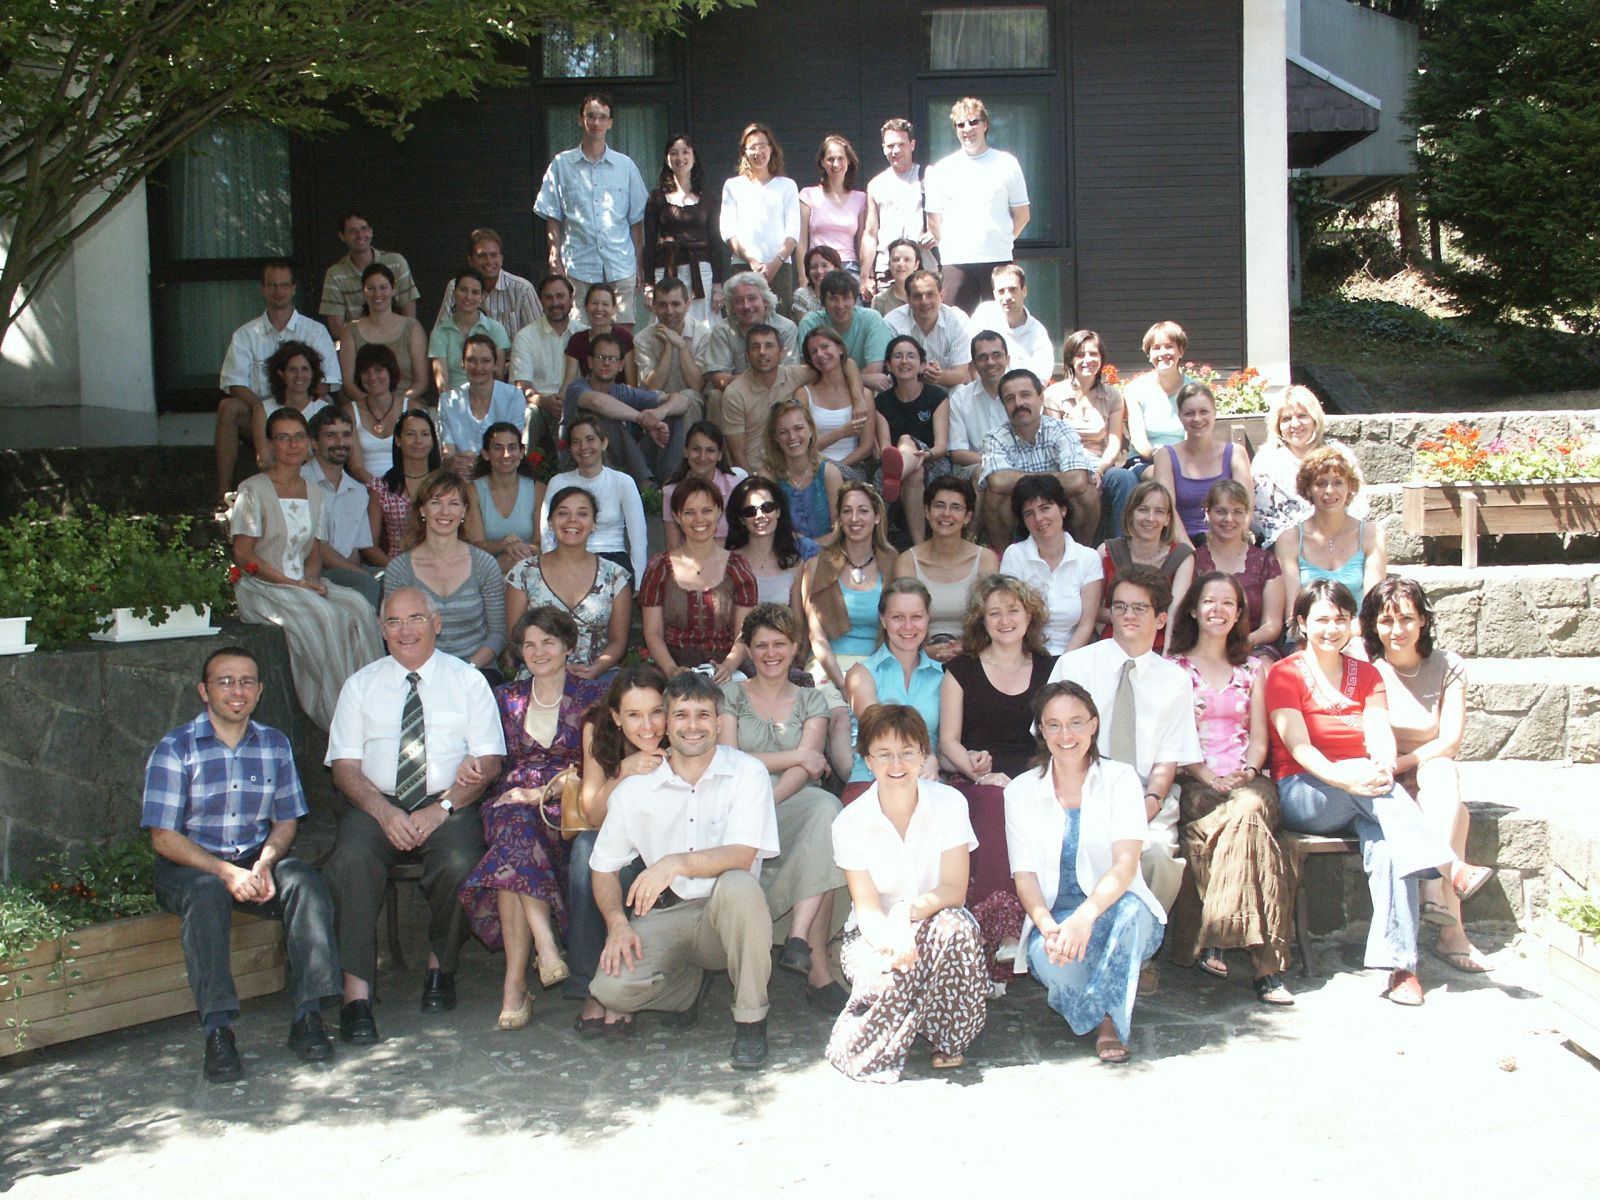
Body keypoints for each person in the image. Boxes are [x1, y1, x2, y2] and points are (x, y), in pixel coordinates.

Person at [1268, 580, 1475, 1006]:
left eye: (1340, 619)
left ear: (1351, 625)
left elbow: (1378, 730)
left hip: (1367, 792)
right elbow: (1300, 747)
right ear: (1302, 623)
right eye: (1321, 620)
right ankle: (1447, 862)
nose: (1331, 628)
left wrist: (1380, 764)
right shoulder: (1284, 673)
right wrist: (1346, 777)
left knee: (1389, 846)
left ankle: (1401, 969)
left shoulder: (1367, 673)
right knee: (1377, 791)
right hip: (1306, 790)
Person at [141, 645, 341, 1081]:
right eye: (226, 682)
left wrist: (266, 862)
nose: (237, 691)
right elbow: (163, 837)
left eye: (247, 681)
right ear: (204, 691)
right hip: (191, 866)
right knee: (207, 893)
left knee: (305, 881)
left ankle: (308, 1016)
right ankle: (218, 1030)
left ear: (260, 690)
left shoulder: (274, 744)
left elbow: (286, 821)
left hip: (252, 857)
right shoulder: (175, 748)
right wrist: (224, 872)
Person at [323, 586, 506, 1042]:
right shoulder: (360, 685)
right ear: (381, 630)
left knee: (461, 861)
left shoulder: (468, 681)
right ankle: (356, 993)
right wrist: (383, 812)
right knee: (350, 861)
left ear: (436, 623)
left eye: (416, 619)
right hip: (375, 803)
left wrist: (442, 808)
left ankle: (441, 967)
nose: (405, 631)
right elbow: (344, 767)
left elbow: (489, 761)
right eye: (394, 621)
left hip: (449, 801)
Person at [588, 671, 780, 1070]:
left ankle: (751, 1021)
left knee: (740, 885)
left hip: (725, 913)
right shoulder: (634, 788)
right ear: (666, 723)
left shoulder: (747, 773)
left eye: (703, 715)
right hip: (667, 913)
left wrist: (674, 863)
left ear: (719, 722)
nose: (693, 726)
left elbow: (742, 854)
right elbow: (603, 867)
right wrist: (616, 924)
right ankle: (688, 986)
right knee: (611, 992)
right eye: (681, 715)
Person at [458, 607, 608, 1029]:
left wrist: (545, 792)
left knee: (511, 854)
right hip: (510, 798)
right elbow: (483, 748)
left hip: (567, 803)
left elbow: (601, 761)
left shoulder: (593, 696)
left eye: (548, 642)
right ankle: (545, 944)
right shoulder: (505, 697)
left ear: (567, 646)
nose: (538, 652)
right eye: (529, 645)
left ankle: (515, 984)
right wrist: (468, 762)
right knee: (513, 822)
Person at [1004, 682, 1166, 1064]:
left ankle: (1109, 1023)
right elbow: (1024, 876)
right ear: (1041, 731)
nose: (1066, 735)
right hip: (1056, 920)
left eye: (1076, 722)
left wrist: (1085, 918)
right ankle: (1112, 986)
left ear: (1093, 725)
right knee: (1051, 962)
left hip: (1116, 909)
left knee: (1131, 916)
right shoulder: (1020, 791)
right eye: (1054, 724)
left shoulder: (1120, 779)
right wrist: (1049, 928)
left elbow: (1125, 864)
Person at [826, 704, 986, 1081]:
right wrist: (892, 941)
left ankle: (948, 1037)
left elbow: (954, 890)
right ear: (868, 760)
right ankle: (871, 1039)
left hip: (934, 919)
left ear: (923, 755)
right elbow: (867, 909)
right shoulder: (849, 823)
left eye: (907, 752)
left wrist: (906, 915)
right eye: (884, 754)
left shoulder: (950, 804)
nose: (896, 764)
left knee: (958, 928)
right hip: (875, 931)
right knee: (892, 971)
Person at [1166, 572, 1295, 1004]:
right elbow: (1173, 738)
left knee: (1248, 809)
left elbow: (1259, 737)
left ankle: (1218, 934)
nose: (1217, 610)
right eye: (1209, 601)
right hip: (1194, 780)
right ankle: (1267, 970)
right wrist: (1207, 775)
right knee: (1250, 826)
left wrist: (1248, 770)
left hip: (1247, 779)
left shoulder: (1254, 668)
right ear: (1192, 609)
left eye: (1228, 603)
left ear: (1239, 613)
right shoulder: (1174, 670)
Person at [1048, 565, 1204, 914]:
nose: (1127, 615)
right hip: (1080, 790)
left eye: (1139, 608)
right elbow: (1050, 742)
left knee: (1159, 856)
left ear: (1161, 619)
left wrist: (1149, 803)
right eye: (1119, 606)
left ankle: (1143, 937)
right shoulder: (1074, 666)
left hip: (1145, 793)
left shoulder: (1175, 680)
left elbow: (1169, 757)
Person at [720, 604, 849, 1012]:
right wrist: (795, 756)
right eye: (761, 645)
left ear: (795, 648)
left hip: (791, 798)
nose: (770, 653)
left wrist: (769, 800)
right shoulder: (729, 696)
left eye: (779, 644)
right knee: (822, 818)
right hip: (736, 802)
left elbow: (807, 768)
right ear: (748, 649)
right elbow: (729, 759)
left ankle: (799, 939)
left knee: (826, 810)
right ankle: (816, 968)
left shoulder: (813, 699)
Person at [1361, 577, 1492, 973]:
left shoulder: (1447, 666)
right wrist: (1393, 767)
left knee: (1441, 770)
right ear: (1373, 626)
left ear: (1423, 621)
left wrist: (1404, 763)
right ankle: (1450, 926)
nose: (1396, 630)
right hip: (1384, 778)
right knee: (1457, 815)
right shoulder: (1367, 670)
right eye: (1386, 621)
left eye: (1406, 618)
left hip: (1425, 769)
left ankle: (1435, 887)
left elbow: (1449, 741)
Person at [230, 408, 383, 730]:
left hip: (300, 581)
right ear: (271, 444)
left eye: (298, 436)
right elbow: (244, 554)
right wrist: (291, 583)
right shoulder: (253, 489)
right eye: (283, 438)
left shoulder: (313, 492)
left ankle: (374, 704)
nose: (292, 445)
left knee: (358, 606)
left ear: (308, 442)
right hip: (263, 585)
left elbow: (314, 550)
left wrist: (311, 579)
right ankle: (337, 715)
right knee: (326, 615)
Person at [939, 574, 1056, 971]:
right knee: (994, 800)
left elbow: (1059, 737)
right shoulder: (961, 670)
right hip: (976, 781)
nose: (1004, 620)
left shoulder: (1051, 669)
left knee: (1018, 802)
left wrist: (1034, 779)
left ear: (1029, 615)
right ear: (982, 620)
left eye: (1012, 610)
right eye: (994, 613)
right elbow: (948, 741)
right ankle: (999, 933)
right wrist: (977, 772)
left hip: (1036, 779)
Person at [567, 665, 669, 1032]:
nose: (648, 726)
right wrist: (624, 770)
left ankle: (619, 990)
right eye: (634, 715)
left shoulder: (684, 730)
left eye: (656, 712)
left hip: (666, 849)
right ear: (616, 717)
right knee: (587, 853)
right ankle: (591, 989)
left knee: (610, 867)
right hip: (617, 842)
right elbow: (594, 814)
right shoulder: (598, 730)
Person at [216, 259, 340, 501]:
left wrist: (297, 405)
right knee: (228, 407)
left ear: (293, 288)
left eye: (284, 285)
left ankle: (330, 488)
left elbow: (328, 382)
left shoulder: (315, 330)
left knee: (332, 410)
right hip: (259, 414)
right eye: (272, 285)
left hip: (305, 412)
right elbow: (234, 383)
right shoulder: (245, 334)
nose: (278, 290)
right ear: (263, 289)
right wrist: (265, 411)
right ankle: (223, 493)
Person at [801, 483, 898, 774]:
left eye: (863, 511)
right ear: (839, 518)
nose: (855, 518)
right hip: (829, 663)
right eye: (847, 511)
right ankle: (854, 783)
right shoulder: (817, 565)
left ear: (877, 516)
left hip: (878, 662)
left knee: (882, 719)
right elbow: (816, 635)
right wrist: (843, 684)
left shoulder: (894, 563)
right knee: (842, 719)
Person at [382, 470, 508, 682]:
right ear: (422, 509)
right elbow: (395, 634)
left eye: (454, 503)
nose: (445, 511)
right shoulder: (399, 570)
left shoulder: (485, 565)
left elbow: (498, 635)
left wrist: (465, 670)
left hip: (476, 671)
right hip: (418, 673)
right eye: (436, 502)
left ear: (464, 511)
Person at [536, 93, 650, 327]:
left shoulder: (625, 166)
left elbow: (636, 220)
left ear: (610, 122)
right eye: (591, 116)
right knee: (579, 333)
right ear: (580, 120)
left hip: (620, 265)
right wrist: (554, 261)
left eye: (602, 117)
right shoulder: (561, 165)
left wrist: (640, 263)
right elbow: (553, 217)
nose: (596, 122)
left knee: (623, 334)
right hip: (578, 266)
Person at [507, 484, 632, 682]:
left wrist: (594, 670)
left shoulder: (615, 576)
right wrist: (556, 669)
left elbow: (618, 642)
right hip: (538, 674)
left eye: (582, 513)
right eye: (563, 513)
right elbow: (515, 639)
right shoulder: (524, 573)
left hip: (597, 676)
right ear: (550, 522)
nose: (572, 520)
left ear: (594, 524)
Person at [640, 478, 758, 681]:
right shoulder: (658, 568)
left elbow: (744, 633)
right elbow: (653, 633)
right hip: (671, 670)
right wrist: (671, 670)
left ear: (719, 512)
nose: (699, 519)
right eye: (689, 512)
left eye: (706, 510)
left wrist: (727, 667)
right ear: (677, 516)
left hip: (726, 671)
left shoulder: (738, 568)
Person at [924, 98, 1029, 314]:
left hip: (998, 259)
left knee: (1003, 324)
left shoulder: (1007, 163)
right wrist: (952, 245)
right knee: (954, 324)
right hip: (956, 261)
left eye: (973, 122)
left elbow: (1022, 214)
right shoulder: (942, 169)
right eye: (960, 124)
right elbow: (934, 222)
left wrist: (1002, 239)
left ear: (985, 124)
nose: (967, 129)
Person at [842, 579, 944, 801]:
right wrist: (926, 756)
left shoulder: (943, 676)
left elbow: (949, 742)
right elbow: (880, 731)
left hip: (928, 782)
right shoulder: (862, 674)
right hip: (872, 781)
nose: (908, 626)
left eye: (916, 617)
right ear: (883, 620)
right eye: (898, 617)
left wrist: (965, 758)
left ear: (927, 618)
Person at [977, 368, 1099, 548]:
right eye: (1010, 399)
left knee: (1087, 492)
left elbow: (1077, 480)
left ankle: (1083, 554)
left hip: (1058, 506)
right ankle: (1003, 558)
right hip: (1017, 509)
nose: (1019, 403)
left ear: (1041, 398)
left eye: (1025, 395)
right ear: (1004, 405)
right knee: (994, 495)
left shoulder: (1061, 430)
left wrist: (1022, 480)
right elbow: (997, 481)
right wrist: (1054, 477)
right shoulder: (995, 437)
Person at [892, 475, 998, 660]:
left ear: (967, 517)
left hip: (974, 655)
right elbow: (901, 620)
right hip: (918, 655)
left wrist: (966, 649)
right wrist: (925, 653)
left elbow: (992, 618)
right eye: (939, 505)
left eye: (956, 507)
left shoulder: (985, 560)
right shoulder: (907, 561)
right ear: (927, 511)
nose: (946, 514)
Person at [1044, 329, 1136, 540]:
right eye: (1080, 354)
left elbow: (1114, 442)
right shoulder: (1053, 395)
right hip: (1066, 466)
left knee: (1125, 478)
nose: (1088, 360)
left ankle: (1122, 545)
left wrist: (1100, 470)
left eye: (1093, 354)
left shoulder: (1113, 396)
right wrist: (1080, 471)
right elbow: (1054, 443)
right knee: (1080, 486)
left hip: (1101, 464)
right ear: (1070, 359)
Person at [564, 330, 690, 485]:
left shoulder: (623, 392)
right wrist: (641, 419)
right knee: (605, 419)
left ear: (621, 365)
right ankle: (646, 486)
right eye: (601, 357)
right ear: (590, 362)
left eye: (612, 358)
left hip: (626, 462)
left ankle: (670, 483)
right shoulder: (577, 387)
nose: (606, 363)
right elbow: (596, 402)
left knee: (672, 413)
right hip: (585, 464)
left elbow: (683, 401)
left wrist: (659, 413)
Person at [1276, 445, 1387, 620]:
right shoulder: (1290, 539)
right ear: (1308, 489)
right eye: (1320, 484)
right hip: (1308, 632)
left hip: (1358, 631)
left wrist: (1344, 632)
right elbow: (1292, 613)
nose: (1329, 491)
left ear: (1349, 486)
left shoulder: (1371, 535)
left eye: (1338, 482)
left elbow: (1373, 610)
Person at [1252, 384, 1369, 549]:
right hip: (1287, 545)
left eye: (1302, 416)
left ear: (1314, 419)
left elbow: (1358, 501)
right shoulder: (1266, 460)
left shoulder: (1340, 454)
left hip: (1341, 540)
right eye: (1286, 419)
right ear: (1278, 426)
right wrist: (1305, 538)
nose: (1295, 424)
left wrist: (1338, 533)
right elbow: (1260, 515)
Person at [537, 413, 649, 584]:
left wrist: (639, 583)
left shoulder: (623, 482)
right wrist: (550, 568)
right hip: (567, 558)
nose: (583, 447)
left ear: (604, 443)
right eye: (576, 441)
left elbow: (638, 537)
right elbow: (547, 531)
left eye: (590, 439)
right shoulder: (558, 482)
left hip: (612, 558)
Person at [999, 474, 1103, 655]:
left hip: (1072, 655)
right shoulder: (1015, 555)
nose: (1039, 518)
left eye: (1045, 508)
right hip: (1024, 653)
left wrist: (1064, 663)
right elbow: (1009, 616)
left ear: (1063, 509)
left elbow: (1086, 625)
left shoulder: (1088, 558)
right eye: (1029, 513)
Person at [1094, 479, 1194, 650]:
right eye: (1143, 510)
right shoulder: (1106, 552)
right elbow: (1093, 610)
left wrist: (1167, 655)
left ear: (1167, 519)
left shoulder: (1182, 557)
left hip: (1160, 646)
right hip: (1114, 644)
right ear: (1130, 514)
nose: (1150, 518)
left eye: (1159, 512)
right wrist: (1129, 617)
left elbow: (1175, 612)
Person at [1150, 382, 1253, 543]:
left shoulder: (1235, 453)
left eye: (1204, 412)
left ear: (1214, 413)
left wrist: (1224, 548)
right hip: (1181, 544)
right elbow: (1167, 510)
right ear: (1180, 417)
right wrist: (1192, 553)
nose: (1197, 419)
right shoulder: (1166, 456)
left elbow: (1246, 510)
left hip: (1227, 541)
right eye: (1189, 413)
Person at [642, 133, 726, 327]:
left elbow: (715, 243)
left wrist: (717, 285)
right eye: (674, 153)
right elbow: (650, 243)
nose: (680, 158)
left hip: (701, 272)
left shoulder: (709, 198)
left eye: (685, 152)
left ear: (694, 157)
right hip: (666, 269)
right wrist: (649, 285)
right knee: (665, 324)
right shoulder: (656, 198)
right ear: (667, 159)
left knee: (703, 327)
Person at [1193, 479, 1284, 656]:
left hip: (1253, 646)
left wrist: (1241, 643)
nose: (1229, 519)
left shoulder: (1266, 562)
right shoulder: (1194, 560)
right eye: (1221, 511)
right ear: (1208, 513)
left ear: (1247, 515)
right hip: (1202, 646)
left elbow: (1272, 625)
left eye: (1237, 512)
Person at [874, 336, 951, 540]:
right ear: (888, 365)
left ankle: (898, 472)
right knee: (913, 469)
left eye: (911, 356)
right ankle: (918, 545)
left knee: (906, 440)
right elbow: (885, 448)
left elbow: (941, 446)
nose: (904, 361)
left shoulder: (936, 396)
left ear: (922, 365)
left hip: (933, 461)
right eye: (898, 356)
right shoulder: (881, 402)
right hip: (899, 465)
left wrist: (924, 455)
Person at [305, 406, 382, 607]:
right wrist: (361, 575)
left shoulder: (357, 490)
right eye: (331, 436)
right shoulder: (301, 483)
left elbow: (355, 550)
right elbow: (316, 548)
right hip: (312, 572)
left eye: (346, 435)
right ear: (314, 442)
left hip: (346, 572)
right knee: (367, 583)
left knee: (396, 581)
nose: (340, 443)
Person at [721, 121, 802, 312]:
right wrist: (752, 261)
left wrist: (775, 263)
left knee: (780, 320)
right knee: (743, 318)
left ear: (771, 148)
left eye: (762, 146)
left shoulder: (787, 185)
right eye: (752, 147)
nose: (758, 152)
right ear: (744, 152)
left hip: (780, 267)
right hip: (743, 266)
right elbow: (728, 231)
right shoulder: (733, 186)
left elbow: (793, 232)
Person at [701, 272, 801, 415]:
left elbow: (789, 375)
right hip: (736, 396)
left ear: (765, 300)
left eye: (752, 298)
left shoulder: (786, 328)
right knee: (715, 396)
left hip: (776, 395)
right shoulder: (722, 330)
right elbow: (719, 378)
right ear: (732, 306)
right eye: (739, 301)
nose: (746, 306)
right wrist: (757, 383)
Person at [722, 323, 816, 474]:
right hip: (755, 471)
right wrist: (755, 483)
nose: (762, 352)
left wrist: (856, 395)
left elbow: (840, 366)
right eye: (755, 347)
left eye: (769, 346)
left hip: (793, 467)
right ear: (747, 355)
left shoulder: (795, 375)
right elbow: (737, 455)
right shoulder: (735, 393)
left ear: (781, 352)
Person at [861, 117, 939, 295]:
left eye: (901, 144)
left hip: (924, 267)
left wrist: (936, 234)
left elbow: (948, 218)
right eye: (890, 146)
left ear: (912, 145)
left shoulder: (928, 176)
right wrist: (865, 276)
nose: (895, 150)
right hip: (887, 270)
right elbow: (870, 233)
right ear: (883, 148)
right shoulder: (876, 184)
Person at [336, 263, 428, 409]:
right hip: (366, 408)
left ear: (393, 289)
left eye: (383, 288)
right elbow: (348, 384)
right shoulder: (351, 331)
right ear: (363, 291)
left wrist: (396, 405)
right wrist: (375, 405)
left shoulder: (412, 328)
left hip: (407, 405)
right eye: (371, 288)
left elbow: (421, 382)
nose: (377, 294)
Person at [318, 210, 419, 343]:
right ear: (342, 236)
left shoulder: (396, 263)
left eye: (364, 229)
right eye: (352, 231)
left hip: (397, 341)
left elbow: (410, 316)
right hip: (358, 346)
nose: (360, 235)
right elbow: (337, 329)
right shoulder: (335, 275)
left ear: (371, 232)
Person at [511, 274, 587, 446]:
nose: (555, 303)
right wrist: (543, 401)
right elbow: (522, 385)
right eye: (548, 297)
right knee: (530, 415)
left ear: (571, 299)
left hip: (577, 403)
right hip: (539, 404)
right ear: (541, 301)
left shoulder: (584, 334)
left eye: (560, 296)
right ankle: (529, 463)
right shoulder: (525, 336)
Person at [725, 475, 820, 611]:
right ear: (741, 519)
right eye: (750, 511)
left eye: (767, 507)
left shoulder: (794, 564)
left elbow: (797, 619)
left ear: (778, 512)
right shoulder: (729, 563)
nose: (760, 516)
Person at [437, 334, 526, 477]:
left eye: (485, 361)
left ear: (495, 364)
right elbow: (447, 454)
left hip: (501, 473)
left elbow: (512, 447)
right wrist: (454, 462)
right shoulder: (448, 401)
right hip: (462, 475)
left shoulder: (513, 396)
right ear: (462, 363)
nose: (478, 367)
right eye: (471, 360)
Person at [432, 227, 541, 342]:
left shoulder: (522, 289)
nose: (489, 261)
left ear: (501, 259)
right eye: (482, 256)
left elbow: (539, 337)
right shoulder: (457, 287)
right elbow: (440, 334)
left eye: (493, 255)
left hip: (513, 354)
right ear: (470, 260)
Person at [797, 325, 875, 482]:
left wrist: (836, 469)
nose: (820, 354)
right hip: (814, 466)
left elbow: (867, 447)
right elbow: (803, 445)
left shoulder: (863, 395)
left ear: (840, 349)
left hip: (851, 467)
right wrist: (842, 432)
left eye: (825, 347)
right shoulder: (803, 394)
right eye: (814, 352)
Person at [464, 422, 543, 573]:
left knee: (513, 561)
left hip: (529, 567)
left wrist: (521, 550)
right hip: (485, 571)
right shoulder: (472, 491)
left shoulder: (538, 490)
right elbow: (476, 546)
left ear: (521, 452)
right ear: (485, 454)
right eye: (498, 448)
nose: (506, 454)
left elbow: (541, 544)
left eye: (512, 447)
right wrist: (504, 545)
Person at [795, 270, 893, 390]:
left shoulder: (871, 319)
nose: (840, 305)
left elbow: (874, 370)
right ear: (823, 302)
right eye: (833, 299)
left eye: (846, 298)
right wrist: (864, 379)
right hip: (823, 393)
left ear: (855, 300)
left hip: (864, 392)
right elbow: (810, 373)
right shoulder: (810, 323)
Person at [366, 408, 441, 562]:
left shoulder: (446, 484)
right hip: (398, 564)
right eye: (410, 434)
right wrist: (395, 570)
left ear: (433, 440)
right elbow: (370, 546)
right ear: (398, 440)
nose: (418, 441)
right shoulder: (381, 487)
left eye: (425, 434)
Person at [765, 399, 845, 541]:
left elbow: (839, 530)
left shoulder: (829, 474)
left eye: (798, 428)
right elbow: (767, 531)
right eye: (783, 432)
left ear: (811, 430)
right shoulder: (768, 478)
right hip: (784, 552)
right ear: (775, 437)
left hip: (826, 551)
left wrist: (810, 547)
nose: (792, 437)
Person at [632, 276, 709, 420]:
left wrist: (681, 345)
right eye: (662, 305)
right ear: (654, 306)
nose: (669, 311)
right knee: (655, 396)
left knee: (690, 396)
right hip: (658, 401)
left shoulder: (704, 335)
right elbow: (653, 386)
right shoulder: (642, 339)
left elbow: (697, 385)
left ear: (687, 304)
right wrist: (667, 347)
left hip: (690, 404)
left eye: (675, 304)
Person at [250, 340, 331, 472]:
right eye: (292, 370)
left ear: (312, 373)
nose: (299, 375)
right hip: (277, 479)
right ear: (281, 373)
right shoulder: (263, 410)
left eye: (305, 369)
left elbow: (328, 461)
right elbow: (264, 461)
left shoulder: (324, 410)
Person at [884, 269, 973, 389]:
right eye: (917, 296)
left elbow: (960, 375)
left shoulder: (958, 320)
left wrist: (938, 376)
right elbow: (890, 368)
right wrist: (921, 370)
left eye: (930, 294)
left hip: (945, 388)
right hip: (904, 388)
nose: (924, 301)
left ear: (941, 296)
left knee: (960, 390)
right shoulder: (892, 322)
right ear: (908, 299)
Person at [1123, 320, 1191, 472]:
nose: (1163, 353)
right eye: (1156, 348)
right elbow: (1140, 441)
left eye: (1169, 346)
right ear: (1149, 354)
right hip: (1145, 461)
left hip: (1186, 460)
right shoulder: (1134, 389)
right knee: (1161, 474)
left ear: (1180, 351)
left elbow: (1193, 438)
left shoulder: (1194, 390)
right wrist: (1163, 460)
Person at [662, 420, 744, 547]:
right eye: (696, 449)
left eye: (710, 450)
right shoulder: (671, 491)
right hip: (689, 557)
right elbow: (673, 547)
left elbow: (743, 538)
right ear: (686, 451)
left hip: (730, 555)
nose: (702, 457)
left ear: (720, 455)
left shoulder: (735, 488)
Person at [428, 268, 510, 393]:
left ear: (482, 297)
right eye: (463, 290)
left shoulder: (496, 330)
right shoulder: (439, 334)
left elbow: (498, 377)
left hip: (489, 398)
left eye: (475, 292)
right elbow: (442, 384)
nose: (468, 297)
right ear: (454, 293)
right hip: (454, 399)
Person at [969, 264, 1054, 381]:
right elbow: (969, 361)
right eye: (1001, 291)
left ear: (1024, 291)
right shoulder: (983, 314)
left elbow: (1039, 380)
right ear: (994, 294)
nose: (1007, 296)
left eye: (1012, 289)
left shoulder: (1038, 333)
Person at [799, 134, 867, 277]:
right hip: (818, 267)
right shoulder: (808, 195)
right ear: (822, 162)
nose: (835, 164)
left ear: (848, 161)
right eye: (830, 159)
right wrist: (803, 277)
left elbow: (863, 242)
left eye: (840, 158)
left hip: (849, 268)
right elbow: (801, 241)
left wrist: (866, 275)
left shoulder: (860, 198)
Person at [947, 331, 1010, 480]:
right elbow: (957, 453)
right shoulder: (960, 399)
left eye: (996, 355)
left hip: (1019, 465)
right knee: (988, 474)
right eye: (982, 357)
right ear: (973, 365)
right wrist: (999, 464)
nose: (990, 362)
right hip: (975, 467)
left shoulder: (1021, 396)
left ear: (1007, 359)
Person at [344, 343, 409, 484]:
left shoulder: (411, 409)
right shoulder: (350, 412)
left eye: (379, 370)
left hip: (406, 486)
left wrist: (397, 490)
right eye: (366, 371)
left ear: (391, 372)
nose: (372, 377)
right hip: (365, 487)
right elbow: (355, 467)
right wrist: (380, 489)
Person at [560, 281, 637, 387]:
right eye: (594, 303)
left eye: (605, 304)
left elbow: (632, 384)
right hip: (589, 395)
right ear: (586, 307)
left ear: (614, 309)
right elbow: (568, 382)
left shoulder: (624, 337)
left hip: (620, 395)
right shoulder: (577, 340)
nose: (599, 309)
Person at [790, 245, 844, 320]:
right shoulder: (802, 295)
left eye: (824, 266)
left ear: (836, 269)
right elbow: (806, 326)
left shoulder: (845, 294)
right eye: (814, 267)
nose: (819, 271)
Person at [869, 238, 920, 316]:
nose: (901, 264)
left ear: (916, 265)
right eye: (896, 260)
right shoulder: (880, 300)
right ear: (889, 264)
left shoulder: (926, 296)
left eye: (907, 260)